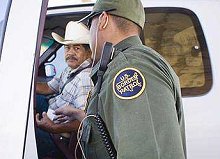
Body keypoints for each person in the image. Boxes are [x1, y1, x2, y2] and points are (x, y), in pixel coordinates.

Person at [55, 0, 186, 158]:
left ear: (103, 19)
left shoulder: (130, 69)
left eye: (90, 24)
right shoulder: (119, 65)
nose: (90, 34)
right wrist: (78, 115)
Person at [35, 21, 93, 159]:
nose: (70, 53)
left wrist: (52, 128)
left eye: (77, 48)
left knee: (21, 132)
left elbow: (84, 123)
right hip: (53, 117)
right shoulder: (70, 69)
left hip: (57, 135)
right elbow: (49, 87)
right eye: (67, 48)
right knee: (34, 99)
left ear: (89, 52)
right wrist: (26, 85)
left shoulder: (84, 79)